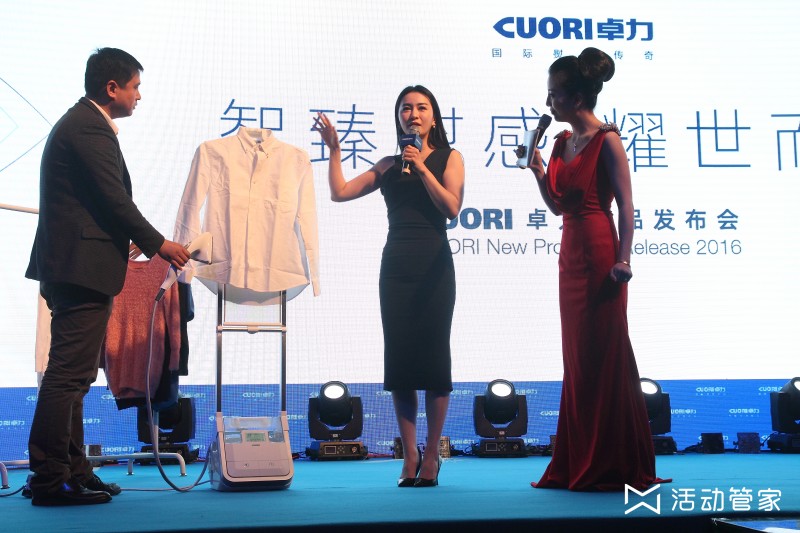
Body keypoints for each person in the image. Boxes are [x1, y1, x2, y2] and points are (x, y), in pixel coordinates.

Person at [25, 47, 189, 506]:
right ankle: (49, 479)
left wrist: (125, 238)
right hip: (78, 269)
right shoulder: (88, 127)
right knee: (67, 376)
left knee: (75, 378)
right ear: (111, 88)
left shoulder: (85, 124)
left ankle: (74, 472)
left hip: (79, 266)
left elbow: (98, 204)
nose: (139, 95)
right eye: (135, 86)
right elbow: (114, 200)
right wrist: (160, 244)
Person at [521, 48, 665, 491]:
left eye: (554, 95)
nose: (548, 103)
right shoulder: (562, 142)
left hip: (602, 255)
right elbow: (557, 205)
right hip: (570, 256)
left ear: (578, 98)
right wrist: (538, 170)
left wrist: (624, 258)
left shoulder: (608, 140)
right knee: (578, 359)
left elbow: (627, 206)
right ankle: (578, 459)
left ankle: (614, 461)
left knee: (605, 354)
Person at [314, 85, 464, 487]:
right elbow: (340, 193)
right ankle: (409, 454)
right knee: (401, 364)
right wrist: (334, 151)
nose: (413, 114)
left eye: (421, 107)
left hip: (434, 265)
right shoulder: (388, 165)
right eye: (406, 109)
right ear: (399, 117)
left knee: (435, 361)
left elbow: (452, 208)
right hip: (396, 266)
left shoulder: (450, 158)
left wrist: (423, 168)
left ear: (433, 116)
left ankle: (432, 454)